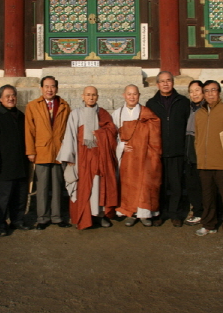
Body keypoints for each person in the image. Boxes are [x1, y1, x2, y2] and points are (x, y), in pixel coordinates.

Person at [56, 86, 118, 230]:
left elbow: (112, 132)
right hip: (81, 158)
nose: (91, 97)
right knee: (83, 188)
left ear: (98, 96)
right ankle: (86, 217)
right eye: (88, 95)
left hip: (100, 157)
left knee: (100, 187)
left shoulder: (103, 114)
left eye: (94, 95)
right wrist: (70, 158)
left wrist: (100, 134)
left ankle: (100, 215)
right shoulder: (75, 114)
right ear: (82, 96)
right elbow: (69, 136)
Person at [194, 80, 223, 240]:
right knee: (207, 197)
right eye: (207, 91)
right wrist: (199, 156)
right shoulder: (199, 113)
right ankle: (209, 224)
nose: (210, 94)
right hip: (204, 163)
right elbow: (197, 138)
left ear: (219, 92)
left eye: (213, 90)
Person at [25, 76, 72, 230]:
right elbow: (29, 130)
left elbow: (69, 131)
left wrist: (69, 151)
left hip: (59, 151)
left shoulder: (64, 106)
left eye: (52, 86)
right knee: (43, 187)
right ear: (41, 88)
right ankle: (43, 218)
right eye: (46, 86)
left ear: (57, 88)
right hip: (41, 150)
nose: (49, 89)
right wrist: (30, 151)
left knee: (58, 186)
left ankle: (57, 217)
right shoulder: (33, 106)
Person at [111, 84, 162, 227]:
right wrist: (120, 146)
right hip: (127, 156)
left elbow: (155, 134)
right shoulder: (118, 113)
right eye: (129, 94)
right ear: (124, 95)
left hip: (145, 155)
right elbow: (112, 135)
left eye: (135, 94)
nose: (132, 97)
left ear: (139, 95)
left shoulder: (147, 113)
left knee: (145, 184)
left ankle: (145, 214)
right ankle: (131, 213)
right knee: (128, 185)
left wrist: (151, 151)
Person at [146, 71, 191, 227]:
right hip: (158, 152)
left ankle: (175, 213)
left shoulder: (183, 102)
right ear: (157, 84)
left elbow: (188, 126)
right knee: (160, 185)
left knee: (177, 185)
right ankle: (159, 213)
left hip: (177, 151)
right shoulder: (151, 104)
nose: (165, 84)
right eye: (162, 81)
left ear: (173, 82)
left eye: (168, 81)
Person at [0, 85, 30, 236]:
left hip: (21, 162)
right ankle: (0, 223)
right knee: (3, 197)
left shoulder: (20, 115)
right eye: (7, 96)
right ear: (0, 99)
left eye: (13, 95)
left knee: (20, 194)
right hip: (5, 164)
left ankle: (17, 219)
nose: (11, 98)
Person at [184, 80, 205, 226]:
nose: (194, 94)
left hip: (201, 152)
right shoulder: (189, 108)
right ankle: (197, 211)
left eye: (197, 90)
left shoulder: (206, 109)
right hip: (189, 150)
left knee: (202, 185)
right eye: (191, 91)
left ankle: (203, 213)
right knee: (192, 184)